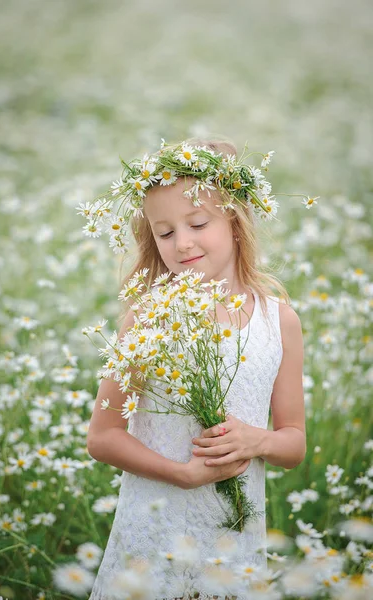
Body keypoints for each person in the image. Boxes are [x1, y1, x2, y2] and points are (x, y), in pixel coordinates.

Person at [86, 138, 306, 600]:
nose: (182, 242)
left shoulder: (278, 320)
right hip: (154, 528)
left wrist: (258, 439)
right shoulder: (148, 319)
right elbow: (102, 437)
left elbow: (293, 444)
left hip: (233, 541)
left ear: (236, 221)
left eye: (198, 223)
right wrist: (179, 472)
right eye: (164, 233)